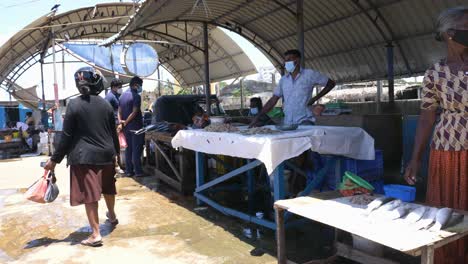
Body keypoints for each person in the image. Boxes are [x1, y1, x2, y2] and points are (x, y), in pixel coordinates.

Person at [404, 7, 468, 264]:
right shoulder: (435, 73)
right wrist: (415, 158)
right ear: (451, 34)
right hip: (447, 145)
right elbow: (427, 116)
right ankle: (449, 256)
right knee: (448, 206)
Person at [44, 67, 120, 247]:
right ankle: (113, 216)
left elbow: (66, 136)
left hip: (85, 157)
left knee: (90, 194)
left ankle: (95, 234)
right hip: (107, 154)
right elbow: (113, 133)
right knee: (108, 187)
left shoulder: (74, 104)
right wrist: (116, 155)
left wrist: (54, 160)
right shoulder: (106, 104)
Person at [250, 49, 335, 127]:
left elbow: (331, 84)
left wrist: (314, 98)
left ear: (297, 60)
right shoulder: (283, 80)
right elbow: (273, 100)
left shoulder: (309, 74)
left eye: (289, 60)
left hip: (305, 120)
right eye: (285, 60)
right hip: (288, 122)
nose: (286, 62)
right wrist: (258, 116)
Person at [118, 76, 145, 177]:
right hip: (135, 128)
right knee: (136, 149)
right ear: (136, 85)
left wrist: (121, 121)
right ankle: (138, 171)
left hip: (126, 129)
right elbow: (134, 112)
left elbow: (119, 111)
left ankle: (129, 171)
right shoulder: (136, 96)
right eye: (140, 85)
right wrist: (126, 122)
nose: (140, 88)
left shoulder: (122, 96)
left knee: (129, 149)